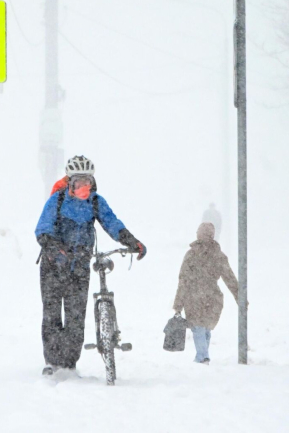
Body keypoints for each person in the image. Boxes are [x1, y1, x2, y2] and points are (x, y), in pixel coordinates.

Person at [35, 155, 147, 376]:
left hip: (79, 266)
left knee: (76, 316)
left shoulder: (95, 202)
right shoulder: (57, 201)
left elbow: (112, 223)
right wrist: (55, 249)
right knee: (52, 315)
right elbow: (42, 229)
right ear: (70, 182)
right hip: (53, 266)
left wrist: (132, 241)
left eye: (87, 181)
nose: (83, 186)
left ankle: (69, 363)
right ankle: (52, 362)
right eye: (78, 181)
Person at [173, 223, 238, 364]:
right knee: (206, 328)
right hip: (213, 296)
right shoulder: (218, 255)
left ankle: (202, 357)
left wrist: (178, 304)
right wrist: (239, 297)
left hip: (194, 297)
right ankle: (203, 356)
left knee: (198, 328)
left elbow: (183, 280)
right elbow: (230, 278)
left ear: (199, 234)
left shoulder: (191, 255)